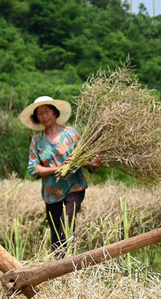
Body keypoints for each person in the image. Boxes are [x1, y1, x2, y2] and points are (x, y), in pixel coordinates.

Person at [20, 95, 102, 256]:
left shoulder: (71, 134)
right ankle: (58, 268)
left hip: (74, 186)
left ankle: (68, 263)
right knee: (55, 231)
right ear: (36, 118)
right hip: (51, 193)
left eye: (47, 111)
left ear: (55, 113)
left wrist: (92, 163)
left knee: (66, 223)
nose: (44, 116)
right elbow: (33, 168)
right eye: (40, 113)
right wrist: (55, 169)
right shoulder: (37, 141)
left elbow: (85, 159)